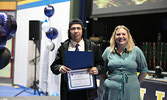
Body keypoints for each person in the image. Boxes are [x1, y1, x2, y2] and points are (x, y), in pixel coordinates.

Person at [50, 18, 103, 100]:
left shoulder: (92, 46)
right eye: (73, 28)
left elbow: (101, 64)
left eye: (78, 28)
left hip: (87, 92)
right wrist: (60, 68)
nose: (76, 31)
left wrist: (97, 69)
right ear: (69, 31)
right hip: (69, 92)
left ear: (82, 30)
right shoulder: (63, 47)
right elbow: (54, 66)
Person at [100, 25, 148, 100]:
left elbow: (144, 71)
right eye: (118, 34)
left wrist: (133, 82)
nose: (121, 36)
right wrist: (109, 81)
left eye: (123, 34)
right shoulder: (108, 51)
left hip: (131, 91)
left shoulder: (136, 51)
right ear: (114, 37)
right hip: (111, 91)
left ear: (128, 36)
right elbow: (102, 70)